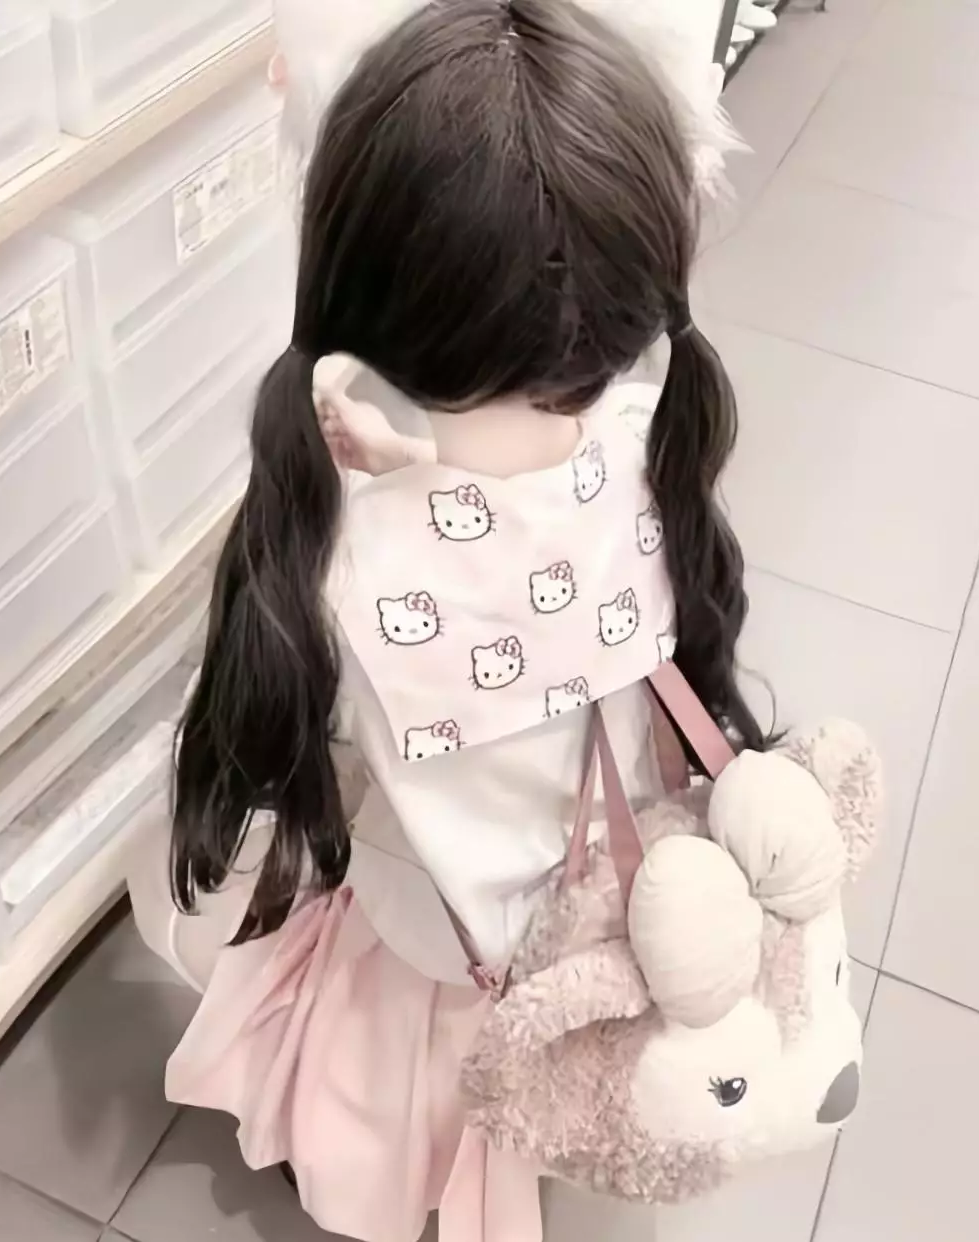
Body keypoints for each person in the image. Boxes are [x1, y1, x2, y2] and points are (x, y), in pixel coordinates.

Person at [127, 2, 767, 1238]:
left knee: (402, 1055)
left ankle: (398, 1179)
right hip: (594, 887)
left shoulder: (340, 559)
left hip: (439, 926)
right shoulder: (652, 447)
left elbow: (356, 684)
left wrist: (387, 473)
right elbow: (520, 507)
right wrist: (409, 460)